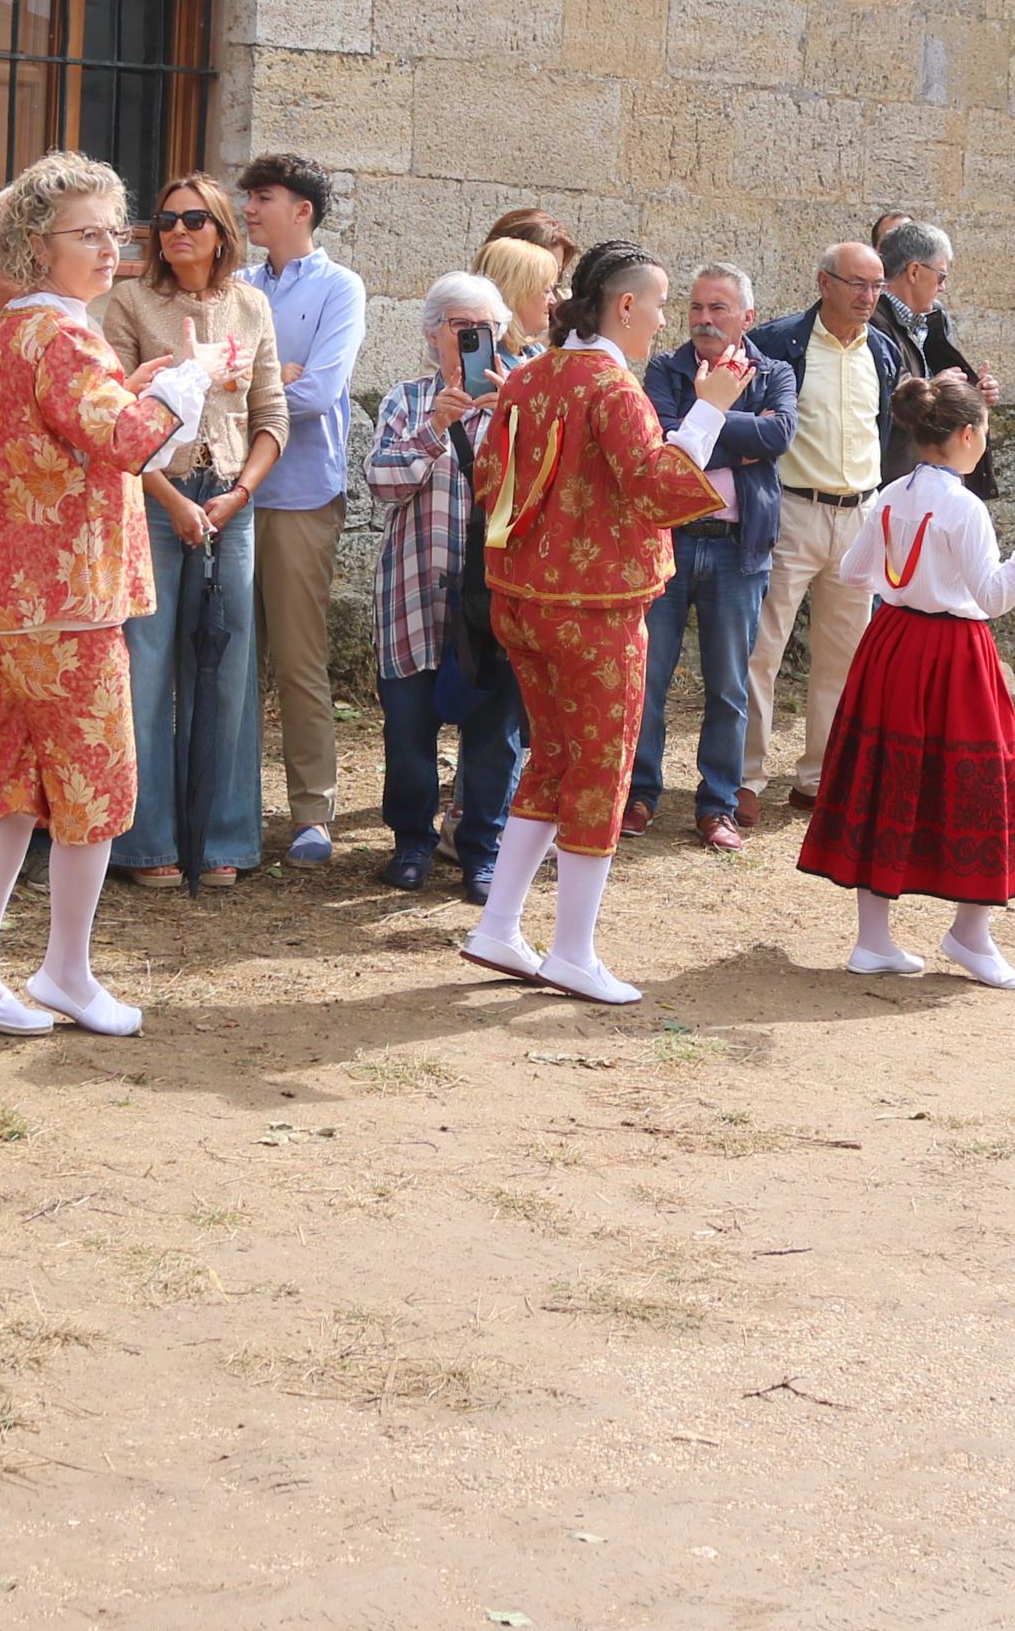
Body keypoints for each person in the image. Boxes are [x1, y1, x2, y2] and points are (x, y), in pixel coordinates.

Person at [0, 152, 228, 1039]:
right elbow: (130, 441)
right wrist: (190, 375)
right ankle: (64, 969)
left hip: (14, 594)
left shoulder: (25, 330)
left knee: (15, 781)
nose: (110, 249)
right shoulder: (59, 334)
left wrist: (147, 384)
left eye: (112, 232)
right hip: (63, 598)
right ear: (36, 244)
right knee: (95, 782)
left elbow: (74, 431)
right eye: (86, 234)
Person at [457, 242, 747, 1004]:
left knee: (552, 758)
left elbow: (489, 475)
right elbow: (654, 489)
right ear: (624, 306)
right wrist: (712, 406)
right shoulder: (612, 387)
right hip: (593, 606)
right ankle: (572, 949)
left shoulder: (528, 376)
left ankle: (498, 925)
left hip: (520, 595)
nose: (663, 320)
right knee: (598, 768)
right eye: (657, 305)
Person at [798, 372, 1015, 986]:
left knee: (885, 776)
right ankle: (970, 934)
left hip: (891, 646)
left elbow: (858, 572)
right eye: (984, 432)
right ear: (968, 434)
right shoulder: (963, 507)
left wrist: (905, 583)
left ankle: (874, 939)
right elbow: (991, 596)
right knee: (987, 782)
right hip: (953, 652)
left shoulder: (892, 493)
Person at [97, 174, 281, 888]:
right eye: (166, 218)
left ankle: (223, 836)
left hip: (229, 498)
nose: (177, 230)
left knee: (228, 666)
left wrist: (239, 495)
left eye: (193, 219)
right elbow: (115, 418)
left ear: (221, 230)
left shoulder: (251, 305)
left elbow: (272, 415)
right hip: (153, 494)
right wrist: (170, 497)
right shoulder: (131, 301)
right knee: (145, 664)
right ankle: (147, 844)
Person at [367, 273, 529, 895]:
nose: (473, 340)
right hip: (413, 595)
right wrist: (436, 426)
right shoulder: (407, 400)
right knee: (407, 731)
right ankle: (412, 843)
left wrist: (511, 413)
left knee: (495, 734)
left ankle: (483, 850)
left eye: (484, 329)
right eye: (461, 328)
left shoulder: (524, 398)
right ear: (433, 334)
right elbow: (381, 483)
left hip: (496, 602)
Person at [742, 241, 915, 820]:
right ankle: (745, 780)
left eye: (877, 287)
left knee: (844, 658)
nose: (869, 297)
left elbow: (891, 428)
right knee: (760, 649)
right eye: (858, 284)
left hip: (860, 518)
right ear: (824, 282)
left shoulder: (884, 351)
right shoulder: (777, 343)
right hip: (791, 511)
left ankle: (819, 779)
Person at [632, 263, 797, 851]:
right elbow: (660, 441)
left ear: (747, 317)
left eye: (717, 309)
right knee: (649, 679)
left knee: (729, 684)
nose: (703, 319)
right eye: (697, 308)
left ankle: (718, 803)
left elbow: (779, 438)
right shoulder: (665, 368)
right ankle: (640, 794)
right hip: (670, 544)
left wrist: (706, 426)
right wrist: (734, 440)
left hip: (737, 550)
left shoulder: (774, 371)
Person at [238, 153, 364, 869]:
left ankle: (312, 811)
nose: (248, 209)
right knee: (227, 657)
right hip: (232, 492)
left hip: (300, 496)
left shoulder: (341, 287)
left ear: (302, 210)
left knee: (297, 658)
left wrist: (252, 385)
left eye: (263, 197)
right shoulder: (238, 284)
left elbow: (318, 394)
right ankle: (232, 806)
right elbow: (215, 383)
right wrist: (275, 376)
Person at [872, 219, 996, 499]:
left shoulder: (932, 320)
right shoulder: (875, 325)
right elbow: (893, 402)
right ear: (914, 271)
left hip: (932, 481)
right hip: (899, 481)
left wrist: (971, 395)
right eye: (941, 276)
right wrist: (936, 388)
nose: (943, 287)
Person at [477, 234, 563, 352]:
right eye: (547, 290)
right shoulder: (488, 362)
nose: (553, 301)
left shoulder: (533, 350)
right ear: (516, 293)